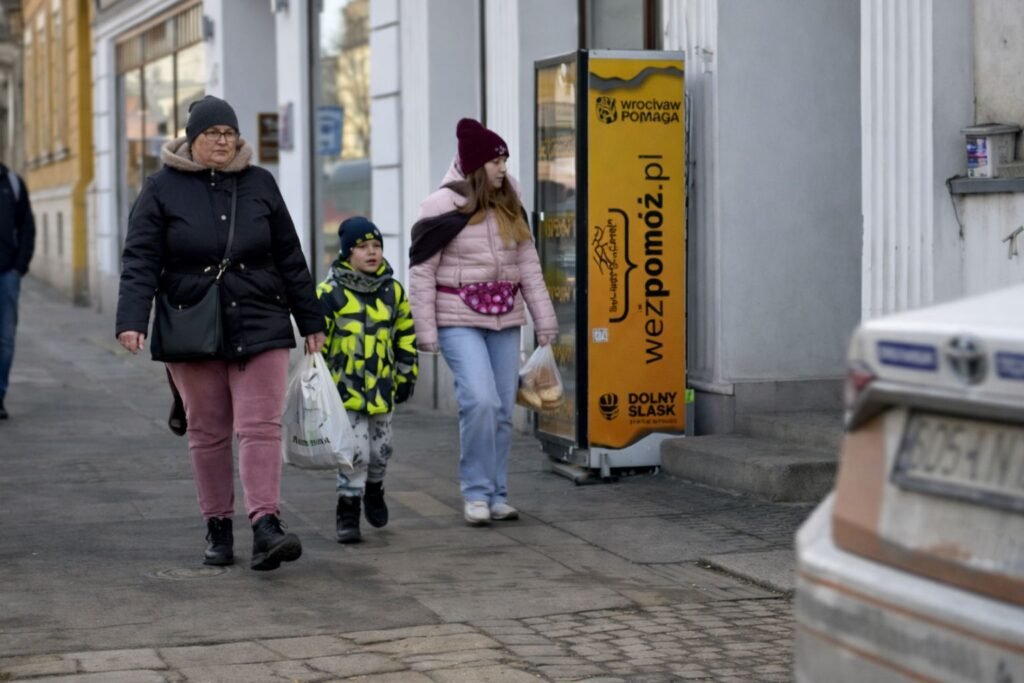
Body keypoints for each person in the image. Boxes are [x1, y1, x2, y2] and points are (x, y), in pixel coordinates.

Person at [115, 95, 326, 571]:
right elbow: (140, 258)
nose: (223, 142)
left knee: (260, 426)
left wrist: (310, 321)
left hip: (261, 316)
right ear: (193, 139)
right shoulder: (161, 188)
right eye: (213, 134)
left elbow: (290, 256)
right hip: (192, 321)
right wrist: (131, 319)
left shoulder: (260, 183)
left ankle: (266, 524)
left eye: (229, 134)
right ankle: (218, 525)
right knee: (209, 432)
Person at [408, 118, 557, 526]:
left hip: (506, 318)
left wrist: (543, 320)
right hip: (457, 319)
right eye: (496, 161)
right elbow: (421, 271)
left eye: (505, 159)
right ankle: (475, 492)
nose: (503, 168)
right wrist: (426, 331)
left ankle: (497, 494)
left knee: (504, 410)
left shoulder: (511, 200)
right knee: (481, 400)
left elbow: (528, 264)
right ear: (477, 165)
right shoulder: (439, 206)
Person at [317, 216, 418, 543]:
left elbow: (405, 335)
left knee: (381, 449)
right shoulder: (329, 293)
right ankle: (349, 508)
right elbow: (317, 343)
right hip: (344, 391)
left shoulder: (392, 291)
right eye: (363, 247)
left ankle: (374, 488)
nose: (372, 253)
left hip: (382, 388)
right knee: (354, 451)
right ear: (347, 253)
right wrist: (318, 385)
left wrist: (406, 374)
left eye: (376, 246)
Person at [0, 162, 35, 420]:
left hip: (6, 275)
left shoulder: (12, 183)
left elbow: (27, 227)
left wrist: (18, 267)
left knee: (5, 340)